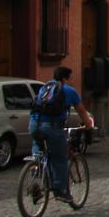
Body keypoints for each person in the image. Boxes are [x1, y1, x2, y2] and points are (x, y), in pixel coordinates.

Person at [29, 66, 94, 203]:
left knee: (38, 145)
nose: (71, 81)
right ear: (65, 78)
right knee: (59, 157)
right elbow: (81, 111)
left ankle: (35, 171)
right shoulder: (69, 91)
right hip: (52, 127)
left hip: (34, 123)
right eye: (70, 78)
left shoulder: (45, 87)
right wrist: (88, 125)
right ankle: (60, 191)